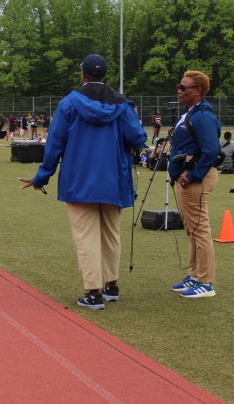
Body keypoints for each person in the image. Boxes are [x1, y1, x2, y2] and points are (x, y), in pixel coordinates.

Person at [20, 54, 146, 310]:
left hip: (79, 180)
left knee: (86, 236)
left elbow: (55, 144)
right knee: (111, 233)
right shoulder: (123, 104)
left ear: (83, 74)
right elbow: (137, 137)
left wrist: (41, 177)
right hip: (114, 179)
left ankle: (93, 293)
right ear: (105, 74)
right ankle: (111, 286)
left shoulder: (69, 103)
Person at [167, 70, 221, 299]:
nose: (179, 91)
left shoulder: (203, 115)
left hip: (194, 178)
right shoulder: (191, 112)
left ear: (197, 91)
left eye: (183, 87)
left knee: (199, 229)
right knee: (192, 229)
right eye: (178, 86)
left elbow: (211, 149)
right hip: (186, 175)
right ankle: (195, 274)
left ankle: (206, 282)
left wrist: (194, 175)